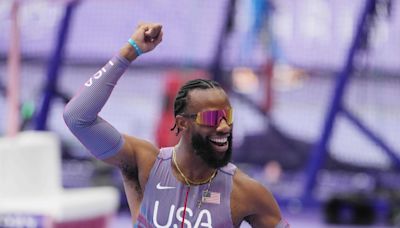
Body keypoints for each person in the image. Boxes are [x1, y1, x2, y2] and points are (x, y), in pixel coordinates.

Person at [63, 22, 289, 228]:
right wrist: (129, 52)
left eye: (227, 117)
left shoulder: (246, 192)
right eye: (211, 118)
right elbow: (77, 117)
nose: (223, 127)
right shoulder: (145, 165)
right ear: (182, 124)